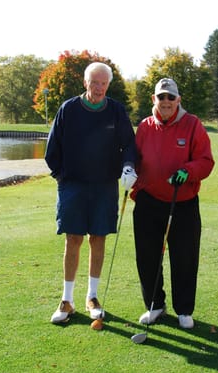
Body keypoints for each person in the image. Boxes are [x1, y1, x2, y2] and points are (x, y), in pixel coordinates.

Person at [45, 62, 138, 324]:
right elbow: (53, 149)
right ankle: (67, 300)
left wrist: (128, 167)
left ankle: (92, 297)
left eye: (103, 83)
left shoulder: (116, 111)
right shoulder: (69, 109)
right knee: (73, 238)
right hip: (73, 185)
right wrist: (62, 176)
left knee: (98, 238)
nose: (98, 88)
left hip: (104, 185)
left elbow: (129, 145)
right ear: (85, 83)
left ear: (108, 85)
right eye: (94, 82)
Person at [130, 78, 214, 329]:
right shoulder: (145, 126)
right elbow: (135, 159)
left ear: (178, 100)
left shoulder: (192, 125)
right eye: (161, 97)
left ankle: (184, 309)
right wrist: (129, 175)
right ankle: (155, 305)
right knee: (147, 257)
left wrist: (187, 171)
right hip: (148, 201)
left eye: (170, 97)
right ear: (154, 99)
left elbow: (206, 161)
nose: (165, 102)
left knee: (184, 258)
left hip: (183, 203)